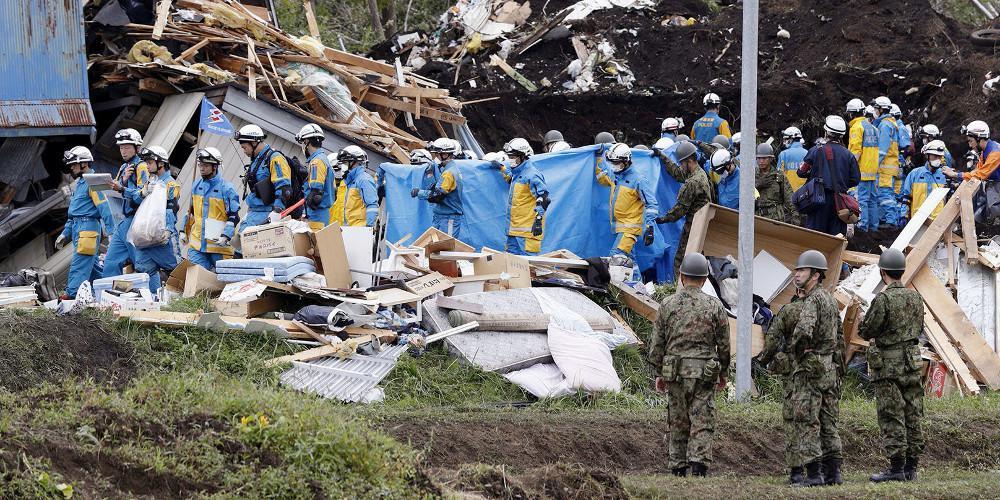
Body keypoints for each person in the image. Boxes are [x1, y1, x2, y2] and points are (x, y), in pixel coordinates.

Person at [647, 252, 729, 478]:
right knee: (702, 419)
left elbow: (657, 344)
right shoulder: (714, 306)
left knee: (678, 419)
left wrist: (658, 373)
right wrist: (723, 372)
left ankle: (678, 467)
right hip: (705, 372)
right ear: (704, 280)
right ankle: (699, 467)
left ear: (682, 276)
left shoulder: (667, 304)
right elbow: (723, 343)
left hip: (674, 372)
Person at [858, 248, 925, 483]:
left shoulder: (883, 299)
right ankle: (911, 468)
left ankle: (896, 468)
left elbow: (867, 330)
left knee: (891, 414)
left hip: (888, 365)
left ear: (882, 272)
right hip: (912, 362)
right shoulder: (915, 297)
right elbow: (919, 328)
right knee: (913, 412)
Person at [787, 250, 844, 487]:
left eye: (802, 270)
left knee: (807, 419)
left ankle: (813, 475)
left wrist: (796, 351)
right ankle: (833, 474)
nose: (797, 274)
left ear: (815, 275)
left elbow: (802, 333)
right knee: (829, 420)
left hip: (811, 367)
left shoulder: (812, 301)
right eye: (797, 270)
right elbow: (840, 336)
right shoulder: (831, 300)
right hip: (830, 366)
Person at [57, 146, 116, 299]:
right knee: (93, 267)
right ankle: (107, 293)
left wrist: (111, 232)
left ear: (84, 164)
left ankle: (71, 296)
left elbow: (105, 208)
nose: (71, 167)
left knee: (80, 263)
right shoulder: (81, 183)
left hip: (88, 228)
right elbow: (74, 213)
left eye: (74, 164)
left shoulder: (95, 181)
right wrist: (65, 233)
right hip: (79, 227)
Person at [653, 141, 712, 280]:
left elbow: (680, 210)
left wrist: (661, 219)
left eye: (682, 163)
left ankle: (678, 288)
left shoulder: (693, 182)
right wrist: (663, 157)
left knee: (681, 259)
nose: (680, 166)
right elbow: (678, 173)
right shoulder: (698, 172)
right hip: (699, 223)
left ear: (689, 161)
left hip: (694, 226)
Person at [796, 115, 861, 236]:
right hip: (839, 202)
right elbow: (855, 179)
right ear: (842, 135)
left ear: (826, 132)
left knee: (816, 237)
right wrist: (841, 182)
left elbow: (801, 172)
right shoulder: (848, 155)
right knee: (836, 238)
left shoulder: (816, 150)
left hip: (817, 200)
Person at [596, 143, 658, 267]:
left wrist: (650, 227)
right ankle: (638, 285)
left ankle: (617, 286)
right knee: (630, 262)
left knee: (617, 256)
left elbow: (652, 205)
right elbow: (602, 177)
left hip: (630, 230)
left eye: (617, 163)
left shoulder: (639, 180)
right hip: (620, 228)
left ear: (627, 161)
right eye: (612, 163)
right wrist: (598, 157)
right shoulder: (616, 176)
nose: (614, 166)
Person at [181, 148, 239, 271]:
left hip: (219, 246)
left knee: (221, 281)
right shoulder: (196, 185)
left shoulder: (227, 189)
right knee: (197, 278)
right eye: (200, 165)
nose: (201, 168)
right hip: (197, 245)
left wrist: (226, 236)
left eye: (205, 165)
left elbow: (234, 216)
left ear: (215, 166)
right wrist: (183, 230)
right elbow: (191, 212)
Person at [132, 146, 181, 292]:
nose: (147, 166)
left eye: (149, 162)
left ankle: (183, 301)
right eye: (146, 162)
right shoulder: (149, 182)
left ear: (161, 163)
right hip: (145, 236)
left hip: (163, 236)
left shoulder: (171, 184)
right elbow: (134, 200)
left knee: (175, 271)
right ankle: (152, 301)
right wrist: (143, 192)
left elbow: (171, 209)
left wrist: (168, 230)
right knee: (144, 271)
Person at [104, 128, 150, 278]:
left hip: (137, 220)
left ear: (137, 148)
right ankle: (109, 296)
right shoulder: (123, 167)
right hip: (124, 221)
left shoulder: (142, 166)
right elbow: (115, 190)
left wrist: (123, 188)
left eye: (127, 147)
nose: (123, 151)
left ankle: (154, 295)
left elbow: (144, 195)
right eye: (121, 147)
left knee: (142, 263)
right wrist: (122, 181)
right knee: (111, 262)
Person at [495, 138, 549, 255]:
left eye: (513, 157)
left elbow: (544, 197)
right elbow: (512, 181)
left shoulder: (532, 174)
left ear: (523, 156)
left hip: (527, 235)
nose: (510, 160)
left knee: (528, 268)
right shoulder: (517, 173)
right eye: (509, 156)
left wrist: (538, 221)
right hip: (513, 232)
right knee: (511, 266)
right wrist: (501, 168)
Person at [235, 124, 292, 232]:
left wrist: (277, 211)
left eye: (245, 147)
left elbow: (284, 188)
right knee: (240, 248)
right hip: (253, 214)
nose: (244, 151)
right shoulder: (256, 161)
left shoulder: (275, 158)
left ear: (254, 142)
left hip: (267, 215)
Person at [412, 138, 464, 237]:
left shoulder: (449, 173)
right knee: (438, 248)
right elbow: (438, 188)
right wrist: (430, 175)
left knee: (445, 249)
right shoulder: (449, 169)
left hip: (448, 218)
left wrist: (419, 192)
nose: (436, 157)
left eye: (437, 154)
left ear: (445, 154)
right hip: (442, 217)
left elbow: (436, 196)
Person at [847, 98, 881, 232]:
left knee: (861, 200)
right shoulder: (873, 128)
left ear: (851, 113)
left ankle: (862, 227)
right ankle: (874, 227)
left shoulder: (856, 127)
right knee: (872, 200)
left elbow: (855, 152)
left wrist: (849, 168)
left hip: (861, 171)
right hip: (873, 171)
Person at [296, 123, 335, 231]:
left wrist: (306, 214)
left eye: (303, 142)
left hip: (316, 216)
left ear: (307, 142)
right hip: (323, 214)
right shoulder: (324, 159)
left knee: (315, 246)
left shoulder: (316, 162)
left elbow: (315, 195)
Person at [873, 97, 902, 227]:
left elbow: (882, 150)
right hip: (888, 167)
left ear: (881, 109)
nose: (874, 110)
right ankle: (885, 220)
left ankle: (891, 221)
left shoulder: (885, 125)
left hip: (885, 168)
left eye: (875, 108)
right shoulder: (889, 123)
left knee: (885, 194)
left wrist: (873, 165)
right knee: (883, 194)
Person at [900, 140, 948, 221]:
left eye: (939, 157)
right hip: (917, 222)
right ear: (927, 156)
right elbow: (906, 197)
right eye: (935, 156)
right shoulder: (914, 174)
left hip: (937, 223)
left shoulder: (945, 176)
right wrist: (904, 215)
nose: (937, 159)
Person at [755, 143, 798, 224]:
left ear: (771, 159)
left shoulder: (778, 176)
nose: (761, 161)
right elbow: (743, 196)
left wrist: (795, 215)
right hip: (757, 217)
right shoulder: (751, 176)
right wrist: (757, 185)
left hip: (776, 218)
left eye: (764, 158)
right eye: (759, 158)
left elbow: (790, 197)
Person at [338, 145, 379, 227]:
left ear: (354, 162)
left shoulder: (364, 180)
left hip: (360, 230)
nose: (343, 166)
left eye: (345, 162)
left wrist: (368, 228)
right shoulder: (352, 181)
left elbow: (372, 205)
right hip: (351, 229)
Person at [779, 127, 809, 192]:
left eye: (786, 139)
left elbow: (779, 177)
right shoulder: (808, 153)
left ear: (791, 139)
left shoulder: (783, 154)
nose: (785, 141)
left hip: (789, 195)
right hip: (805, 194)